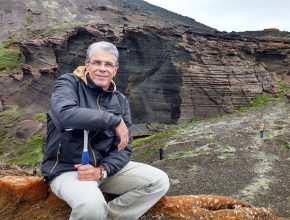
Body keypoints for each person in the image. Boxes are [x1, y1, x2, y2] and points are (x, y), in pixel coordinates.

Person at [41, 41, 170, 220]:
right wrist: (113, 121)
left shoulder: (120, 100)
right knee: (91, 205)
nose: (103, 69)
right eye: (97, 63)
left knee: (158, 181)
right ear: (87, 65)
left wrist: (102, 170)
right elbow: (64, 115)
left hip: (102, 171)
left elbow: (123, 147)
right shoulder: (68, 83)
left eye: (108, 64)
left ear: (115, 70)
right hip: (67, 170)